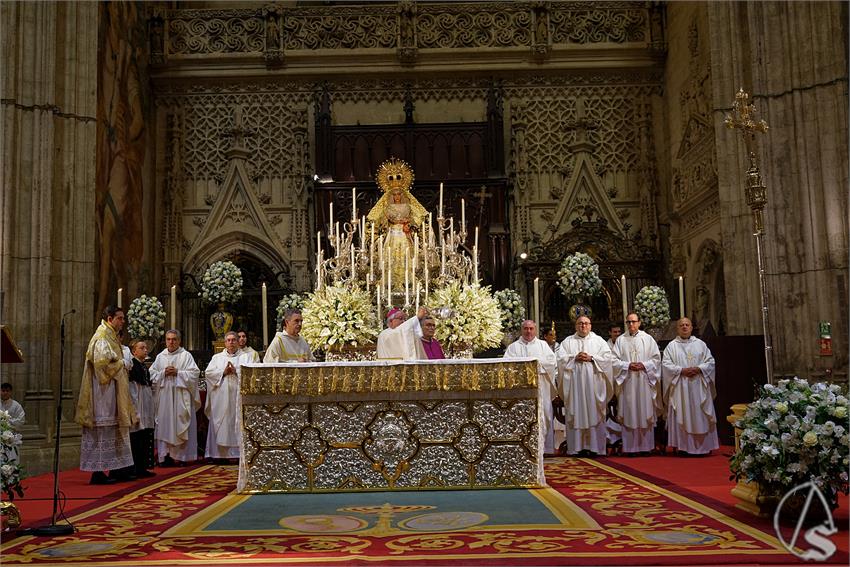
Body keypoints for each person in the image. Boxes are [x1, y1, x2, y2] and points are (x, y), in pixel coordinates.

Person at [74, 306, 137, 485]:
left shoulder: (109, 335)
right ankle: (98, 472)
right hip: (103, 392)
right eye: (120, 318)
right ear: (110, 318)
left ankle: (114, 468)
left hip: (111, 390)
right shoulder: (102, 336)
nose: (122, 321)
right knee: (102, 430)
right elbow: (102, 366)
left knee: (113, 429)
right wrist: (122, 363)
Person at [661, 318, 720, 456]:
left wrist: (699, 369)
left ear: (692, 327)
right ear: (677, 328)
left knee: (701, 414)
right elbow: (666, 365)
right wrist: (681, 370)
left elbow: (710, 362)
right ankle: (684, 447)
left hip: (699, 385)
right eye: (681, 325)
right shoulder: (672, 346)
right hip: (681, 385)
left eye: (687, 325)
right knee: (683, 413)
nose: (685, 327)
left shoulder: (700, 344)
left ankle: (704, 447)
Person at [366, 158, 427, 287]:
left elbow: (417, 218)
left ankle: (407, 282)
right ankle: (390, 283)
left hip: (404, 234)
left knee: (406, 256)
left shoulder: (408, 206)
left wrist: (409, 223)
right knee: (391, 257)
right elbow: (379, 220)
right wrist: (387, 220)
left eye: (399, 194)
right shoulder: (387, 207)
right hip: (392, 234)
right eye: (395, 195)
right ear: (391, 196)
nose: (397, 196)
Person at [558, 316, 613, 456]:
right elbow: (559, 359)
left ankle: (595, 448)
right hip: (575, 386)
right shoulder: (567, 342)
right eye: (580, 323)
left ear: (590, 325)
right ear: (576, 326)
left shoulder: (599, 341)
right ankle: (576, 448)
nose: (583, 326)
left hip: (593, 385)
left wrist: (592, 358)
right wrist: (573, 358)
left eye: (586, 323)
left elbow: (608, 359)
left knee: (594, 412)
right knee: (576, 412)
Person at [504, 320, 558, 456]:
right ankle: (523, 449)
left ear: (535, 330)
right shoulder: (513, 347)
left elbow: (552, 363)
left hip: (541, 388)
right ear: (522, 330)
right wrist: (524, 369)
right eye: (526, 329)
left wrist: (534, 366)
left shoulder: (543, 345)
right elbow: (506, 366)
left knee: (544, 414)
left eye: (531, 329)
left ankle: (546, 449)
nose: (528, 331)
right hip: (521, 389)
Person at [612, 313, 661, 455]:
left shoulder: (648, 339)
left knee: (644, 411)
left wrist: (644, 365)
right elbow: (613, 361)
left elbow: (656, 359)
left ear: (639, 323)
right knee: (629, 411)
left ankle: (646, 447)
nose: (631, 325)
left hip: (644, 381)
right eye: (628, 322)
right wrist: (628, 365)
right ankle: (630, 448)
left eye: (633, 322)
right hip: (628, 382)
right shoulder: (621, 340)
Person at [150, 329, 201, 466]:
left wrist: (178, 372)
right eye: (168, 339)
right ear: (165, 341)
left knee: (181, 423)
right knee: (165, 424)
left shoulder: (186, 356)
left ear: (179, 341)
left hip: (180, 397)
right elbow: (151, 375)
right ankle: (165, 456)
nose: (171, 342)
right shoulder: (161, 357)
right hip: (165, 397)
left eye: (174, 339)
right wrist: (163, 373)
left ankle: (182, 456)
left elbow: (195, 373)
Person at [204, 331, 246, 462]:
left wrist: (236, 371)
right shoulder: (217, 358)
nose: (231, 342)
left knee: (238, 422)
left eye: (234, 340)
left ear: (238, 342)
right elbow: (209, 374)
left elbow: (251, 375)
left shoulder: (245, 357)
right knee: (221, 423)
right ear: (225, 342)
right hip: (220, 399)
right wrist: (223, 372)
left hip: (238, 397)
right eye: (228, 340)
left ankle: (238, 455)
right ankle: (219, 455)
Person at [127, 339, 156, 478]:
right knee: (136, 438)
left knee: (144, 436)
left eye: (146, 348)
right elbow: (133, 389)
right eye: (142, 348)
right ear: (134, 351)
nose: (146, 350)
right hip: (138, 404)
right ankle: (135, 468)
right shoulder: (133, 365)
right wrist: (135, 410)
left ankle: (143, 467)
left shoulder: (143, 366)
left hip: (145, 403)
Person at [1, 382, 26, 464]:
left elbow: (21, 420)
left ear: (10, 392)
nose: (5, 393)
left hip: (11, 438)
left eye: (7, 391)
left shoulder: (16, 405)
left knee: (12, 461)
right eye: (3, 390)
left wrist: (6, 421)